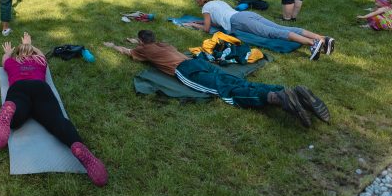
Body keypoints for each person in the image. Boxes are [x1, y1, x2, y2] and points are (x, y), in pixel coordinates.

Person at [103, 31, 329, 128]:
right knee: (236, 81)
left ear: (141, 43)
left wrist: (113, 46)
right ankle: (289, 92)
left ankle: (276, 98)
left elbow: (128, 52)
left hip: (187, 71)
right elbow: (145, 44)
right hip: (198, 62)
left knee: (225, 90)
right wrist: (138, 40)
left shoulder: (144, 51)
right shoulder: (163, 45)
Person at [0, 32, 107, 186]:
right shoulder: (40, 61)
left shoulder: (12, 63)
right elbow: (41, 54)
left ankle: (10, 109)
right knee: (57, 121)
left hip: (19, 88)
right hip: (41, 89)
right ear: (33, 53)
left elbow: (5, 59)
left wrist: (8, 52)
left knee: (15, 118)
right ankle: (76, 144)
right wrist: (30, 44)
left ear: (17, 54)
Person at [188, 0, 334, 61]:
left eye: (197, 1)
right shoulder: (219, 2)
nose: (197, 3)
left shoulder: (205, 8)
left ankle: (312, 43)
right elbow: (217, 20)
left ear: (201, 1)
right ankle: (323, 38)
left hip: (240, 21)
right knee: (281, 28)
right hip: (246, 15)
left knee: (272, 33)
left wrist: (196, 26)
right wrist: (201, 22)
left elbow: (207, 29)